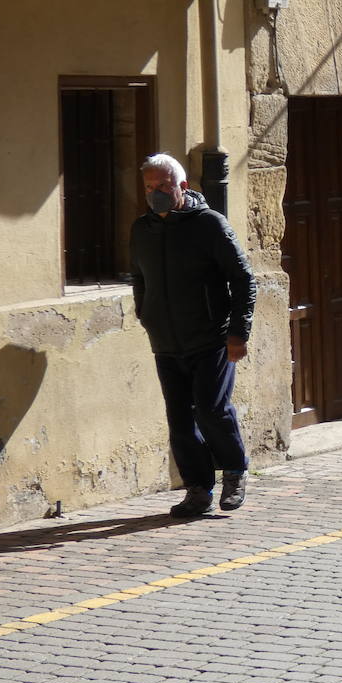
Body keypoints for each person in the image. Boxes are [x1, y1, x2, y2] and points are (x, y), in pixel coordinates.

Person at [130, 153, 257, 518]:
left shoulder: (210, 225)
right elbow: (137, 276)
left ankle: (234, 471)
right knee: (180, 421)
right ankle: (198, 489)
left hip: (211, 338)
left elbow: (244, 279)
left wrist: (238, 332)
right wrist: (145, 313)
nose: (155, 193)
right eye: (149, 187)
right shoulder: (142, 229)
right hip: (166, 341)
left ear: (182, 187)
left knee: (211, 409)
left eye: (163, 186)